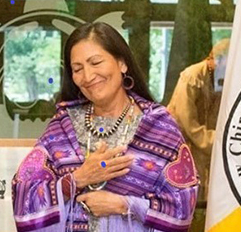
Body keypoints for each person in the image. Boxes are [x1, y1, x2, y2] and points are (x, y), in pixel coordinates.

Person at [12, 22, 199, 232]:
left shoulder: (159, 128)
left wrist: (124, 205)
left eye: (96, 62)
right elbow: (24, 198)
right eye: (78, 69)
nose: (88, 76)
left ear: (122, 63)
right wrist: (78, 179)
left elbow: (182, 205)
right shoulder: (61, 127)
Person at [167, 39, 229, 203]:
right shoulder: (192, 76)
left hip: (201, 147)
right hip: (182, 144)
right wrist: (215, 141)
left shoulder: (220, 79)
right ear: (218, 59)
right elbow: (187, 121)